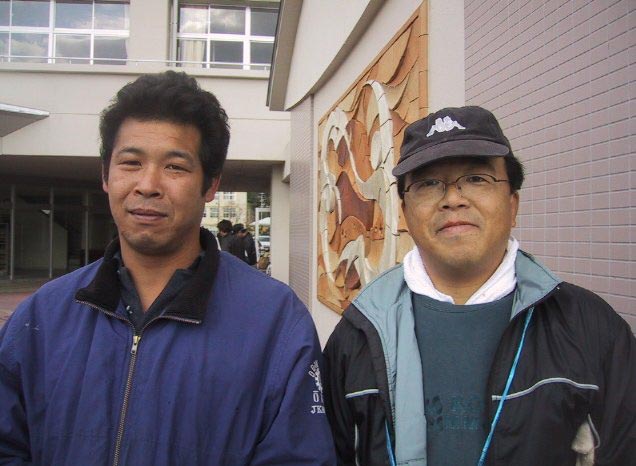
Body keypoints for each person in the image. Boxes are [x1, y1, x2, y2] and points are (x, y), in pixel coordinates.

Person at [0, 71, 336, 465]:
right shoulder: (42, 316)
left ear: (211, 185)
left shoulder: (275, 322)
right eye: (131, 162)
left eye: (175, 167)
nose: (148, 184)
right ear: (105, 175)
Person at [322, 106, 636, 466]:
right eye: (428, 184)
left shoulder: (592, 330)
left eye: (476, 178)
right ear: (405, 212)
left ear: (513, 204)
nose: (453, 199)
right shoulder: (358, 334)